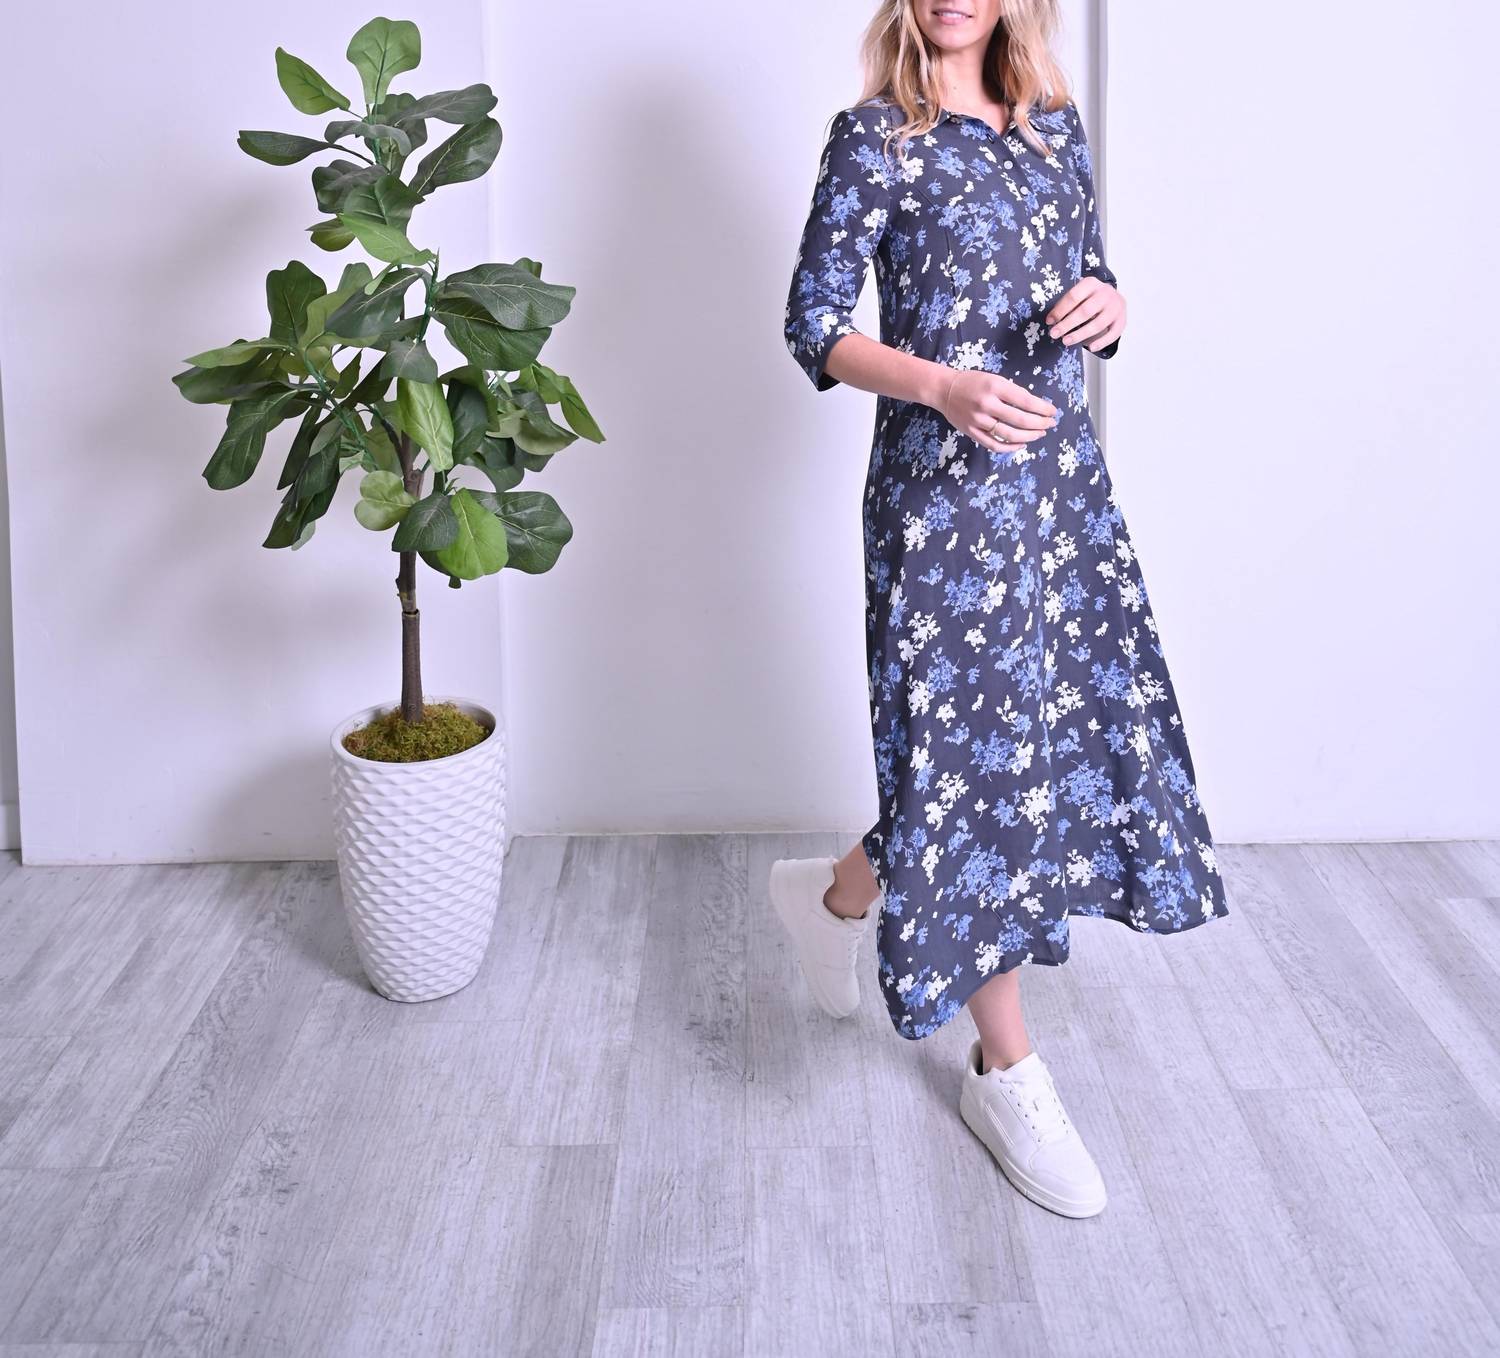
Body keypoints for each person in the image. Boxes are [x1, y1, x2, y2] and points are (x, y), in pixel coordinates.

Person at [769, 0, 1227, 1220]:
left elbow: (1086, 273)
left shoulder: (1054, 130)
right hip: (938, 501)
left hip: (1059, 494)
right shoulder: (876, 139)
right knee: (971, 769)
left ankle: (836, 896)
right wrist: (939, 385)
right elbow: (815, 324)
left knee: (1028, 753)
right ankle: (1005, 1069)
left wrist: (1110, 304)